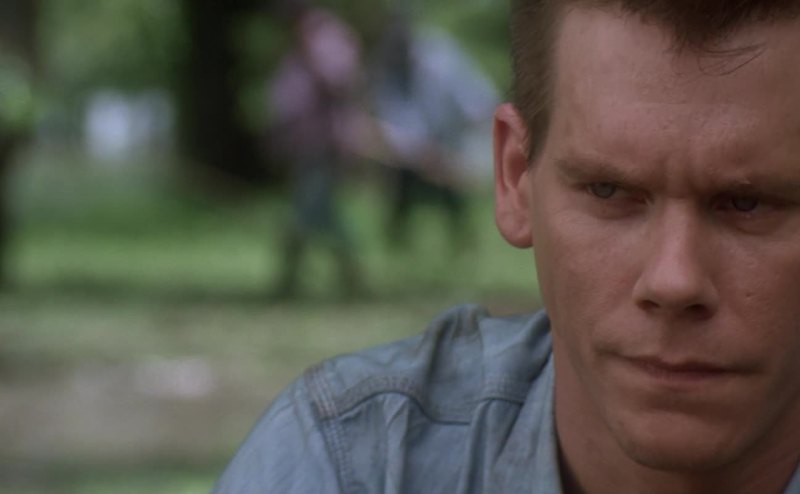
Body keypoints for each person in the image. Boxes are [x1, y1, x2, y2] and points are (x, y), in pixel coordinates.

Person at [214, 1, 800, 492]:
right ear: (516, 178)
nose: (674, 280)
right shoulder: (352, 465)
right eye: (608, 190)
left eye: (749, 203)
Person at [267, 0, 363, 299]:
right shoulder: (295, 42)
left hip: (326, 143)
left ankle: (291, 280)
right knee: (317, 209)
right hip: (303, 143)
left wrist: (311, 54)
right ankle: (347, 276)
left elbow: (340, 83)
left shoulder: (329, 37)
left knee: (309, 210)